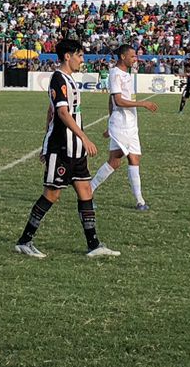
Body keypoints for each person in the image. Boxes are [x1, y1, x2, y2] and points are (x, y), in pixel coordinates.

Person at [15, 37, 119, 259]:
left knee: (86, 192)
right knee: (52, 195)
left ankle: (94, 245)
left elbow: (51, 111)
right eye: (79, 55)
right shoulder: (58, 79)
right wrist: (83, 138)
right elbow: (61, 113)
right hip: (62, 148)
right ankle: (25, 241)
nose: (82, 60)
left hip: (75, 151)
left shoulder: (70, 80)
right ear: (67, 56)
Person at [89, 44, 157, 211]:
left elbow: (111, 102)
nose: (136, 59)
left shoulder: (126, 74)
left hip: (130, 125)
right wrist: (143, 103)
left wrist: (109, 123)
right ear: (122, 56)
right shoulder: (115, 74)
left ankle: (139, 201)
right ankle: (88, 192)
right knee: (121, 161)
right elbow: (117, 100)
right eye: (133, 56)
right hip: (122, 125)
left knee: (124, 161)